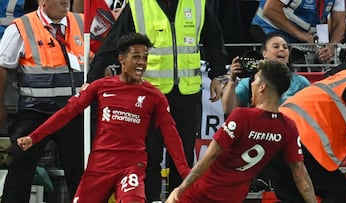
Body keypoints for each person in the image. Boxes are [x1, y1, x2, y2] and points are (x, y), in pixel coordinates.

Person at [16, 32, 191, 203]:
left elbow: (171, 135)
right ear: (122, 59)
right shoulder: (100, 87)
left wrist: (185, 173)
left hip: (131, 166)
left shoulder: (155, 96)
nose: (142, 63)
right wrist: (34, 137)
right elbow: (66, 113)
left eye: (145, 57)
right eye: (136, 57)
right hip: (100, 165)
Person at [87, 0, 228, 201]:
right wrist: (92, 78)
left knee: (182, 158)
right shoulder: (138, 5)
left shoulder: (197, 3)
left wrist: (218, 74)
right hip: (149, 97)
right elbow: (114, 43)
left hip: (186, 95)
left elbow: (213, 37)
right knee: (148, 158)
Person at [165, 60, 317, 203]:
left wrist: (179, 191)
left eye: (255, 80)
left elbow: (208, 158)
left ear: (263, 87)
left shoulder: (242, 116)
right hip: (233, 198)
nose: (252, 85)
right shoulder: (288, 126)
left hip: (201, 193)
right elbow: (301, 175)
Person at [0, 0, 86, 202]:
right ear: (43, 2)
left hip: (72, 112)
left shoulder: (82, 23)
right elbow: (2, 66)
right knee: (19, 171)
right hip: (34, 112)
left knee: (81, 172)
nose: (65, 1)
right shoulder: (23, 27)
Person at [274, 56, 346, 202]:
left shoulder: (335, 79)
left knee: (294, 197)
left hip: (276, 134)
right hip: (301, 138)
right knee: (336, 188)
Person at [222, 33, 310, 114]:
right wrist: (232, 80)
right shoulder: (249, 83)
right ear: (264, 53)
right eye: (276, 46)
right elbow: (229, 110)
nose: (282, 49)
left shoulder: (301, 82)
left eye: (285, 47)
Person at [250, 0, 346, 63]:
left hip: (300, 38)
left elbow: (339, 23)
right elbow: (269, 9)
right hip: (269, 28)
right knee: (283, 66)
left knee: (304, 67)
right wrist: (300, 34)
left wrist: (331, 46)